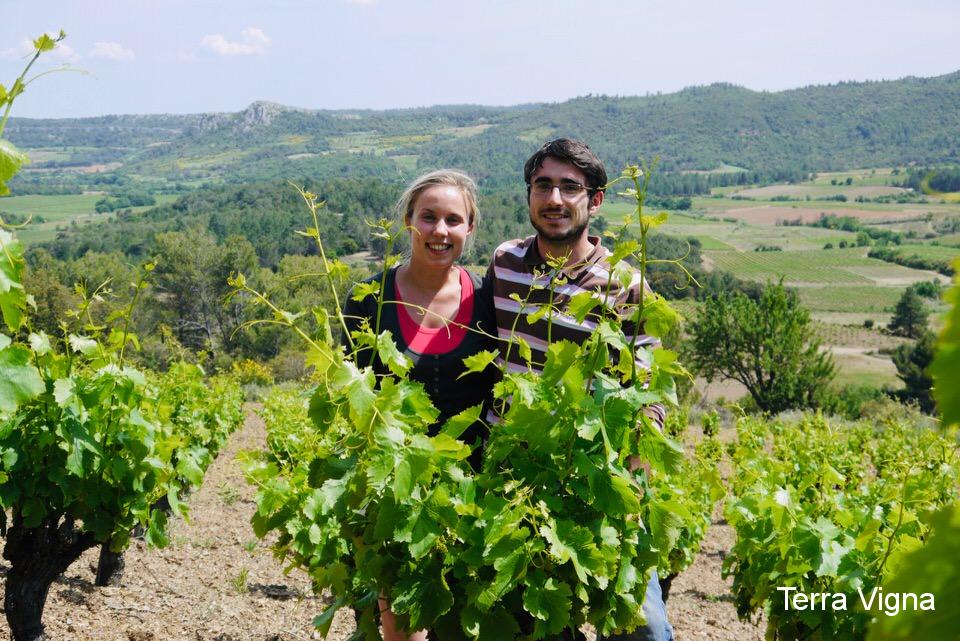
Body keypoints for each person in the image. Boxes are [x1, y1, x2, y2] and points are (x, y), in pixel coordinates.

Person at [486, 138, 674, 641]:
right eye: (543, 185)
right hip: (517, 477)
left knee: (644, 629)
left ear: (595, 201)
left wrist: (635, 474)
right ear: (528, 195)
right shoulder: (504, 264)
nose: (554, 199)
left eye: (571, 188)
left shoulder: (625, 284)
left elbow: (649, 388)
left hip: (598, 476)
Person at [342, 169, 498, 641]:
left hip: (474, 492)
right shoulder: (368, 300)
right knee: (397, 624)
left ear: (469, 229)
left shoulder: (489, 300)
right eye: (428, 217)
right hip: (392, 488)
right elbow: (354, 396)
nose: (440, 231)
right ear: (408, 221)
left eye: (454, 219)